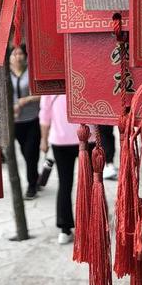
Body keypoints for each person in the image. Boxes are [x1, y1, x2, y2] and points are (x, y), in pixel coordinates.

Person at [40, 94, 92, 245]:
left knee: (67, 184)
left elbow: (45, 113)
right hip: (85, 137)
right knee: (85, 183)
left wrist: (44, 139)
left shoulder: (50, 79)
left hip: (69, 139)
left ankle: (66, 228)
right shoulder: (83, 74)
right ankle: (88, 224)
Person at [9, 45, 41, 199]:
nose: (18, 57)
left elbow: (43, 93)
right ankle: (34, 175)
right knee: (25, 152)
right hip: (14, 121)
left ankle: (31, 186)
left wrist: (25, 100)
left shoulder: (32, 71)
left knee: (31, 152)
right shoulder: (5, 73)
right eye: (14, 54)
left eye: (20, 53)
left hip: (33, 118)